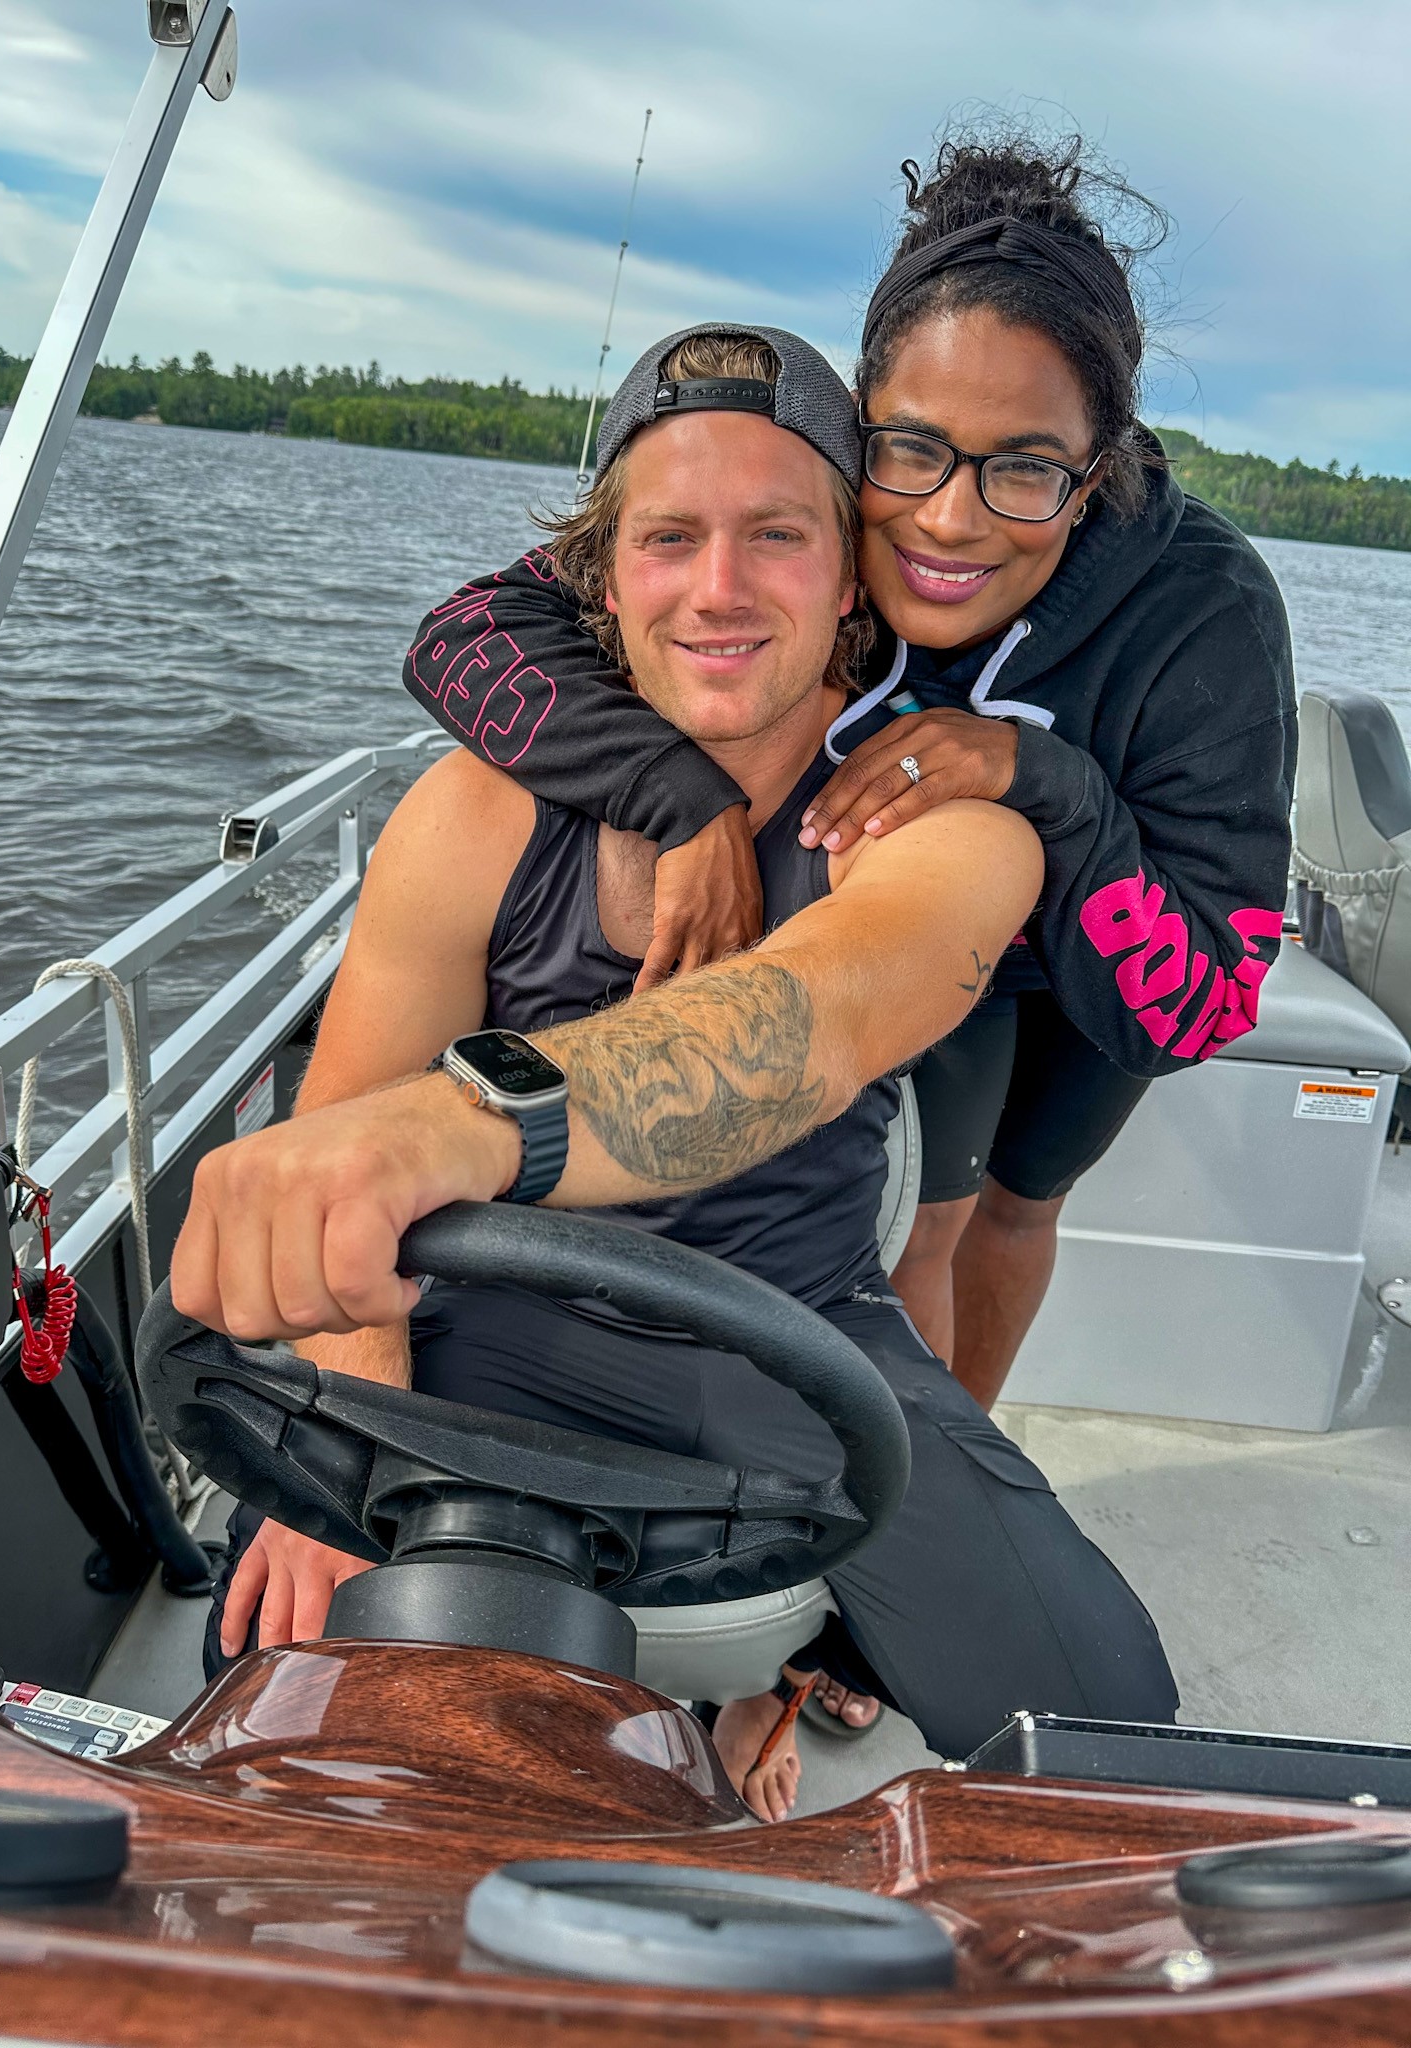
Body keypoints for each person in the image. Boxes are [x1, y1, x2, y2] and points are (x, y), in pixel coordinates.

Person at [175, 322, 1179, 1823]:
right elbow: (340, 1137)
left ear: (850, 580)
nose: (719, 588)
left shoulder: (947, 829)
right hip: (481, 1333)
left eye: (777, 534)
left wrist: (456, 1127)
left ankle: (782, 1690)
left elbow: (797, 1027)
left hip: (797, 1346)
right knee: (295, 1731)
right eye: (670, 538)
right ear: (604, 579)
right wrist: (345, 1450)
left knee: (1120, 1737)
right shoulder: (473, 813)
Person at [395, 133, 1297, 1433]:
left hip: (1106, 934)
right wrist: (681, 798)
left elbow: (1199, 1005)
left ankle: (958, 1454)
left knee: (1018, 1202)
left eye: (1027, 468)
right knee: (926, 1211)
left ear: (1096, 474)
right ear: (859, 416)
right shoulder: (813, 497)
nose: (948, 519)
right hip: (912, 914)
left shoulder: (1206, 612)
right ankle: (895, 1464)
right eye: (910, 449)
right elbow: (466, 634)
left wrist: (1040, 778)